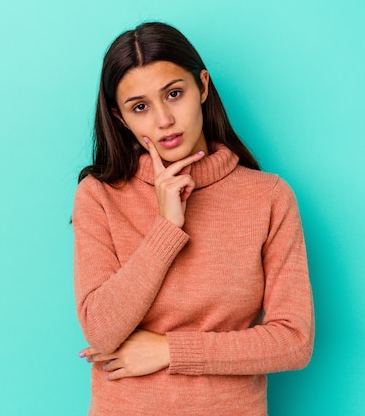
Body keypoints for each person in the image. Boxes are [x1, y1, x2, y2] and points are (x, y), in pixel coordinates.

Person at [71, 22, 314, 415]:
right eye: (140, 106)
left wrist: (170, 350)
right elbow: (101, 329)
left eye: (174, 93)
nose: (164, 119)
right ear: (120, 119)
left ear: (202, 85)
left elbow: (294, 341)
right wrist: (166, 229)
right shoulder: (100, 195)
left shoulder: (268, 196)